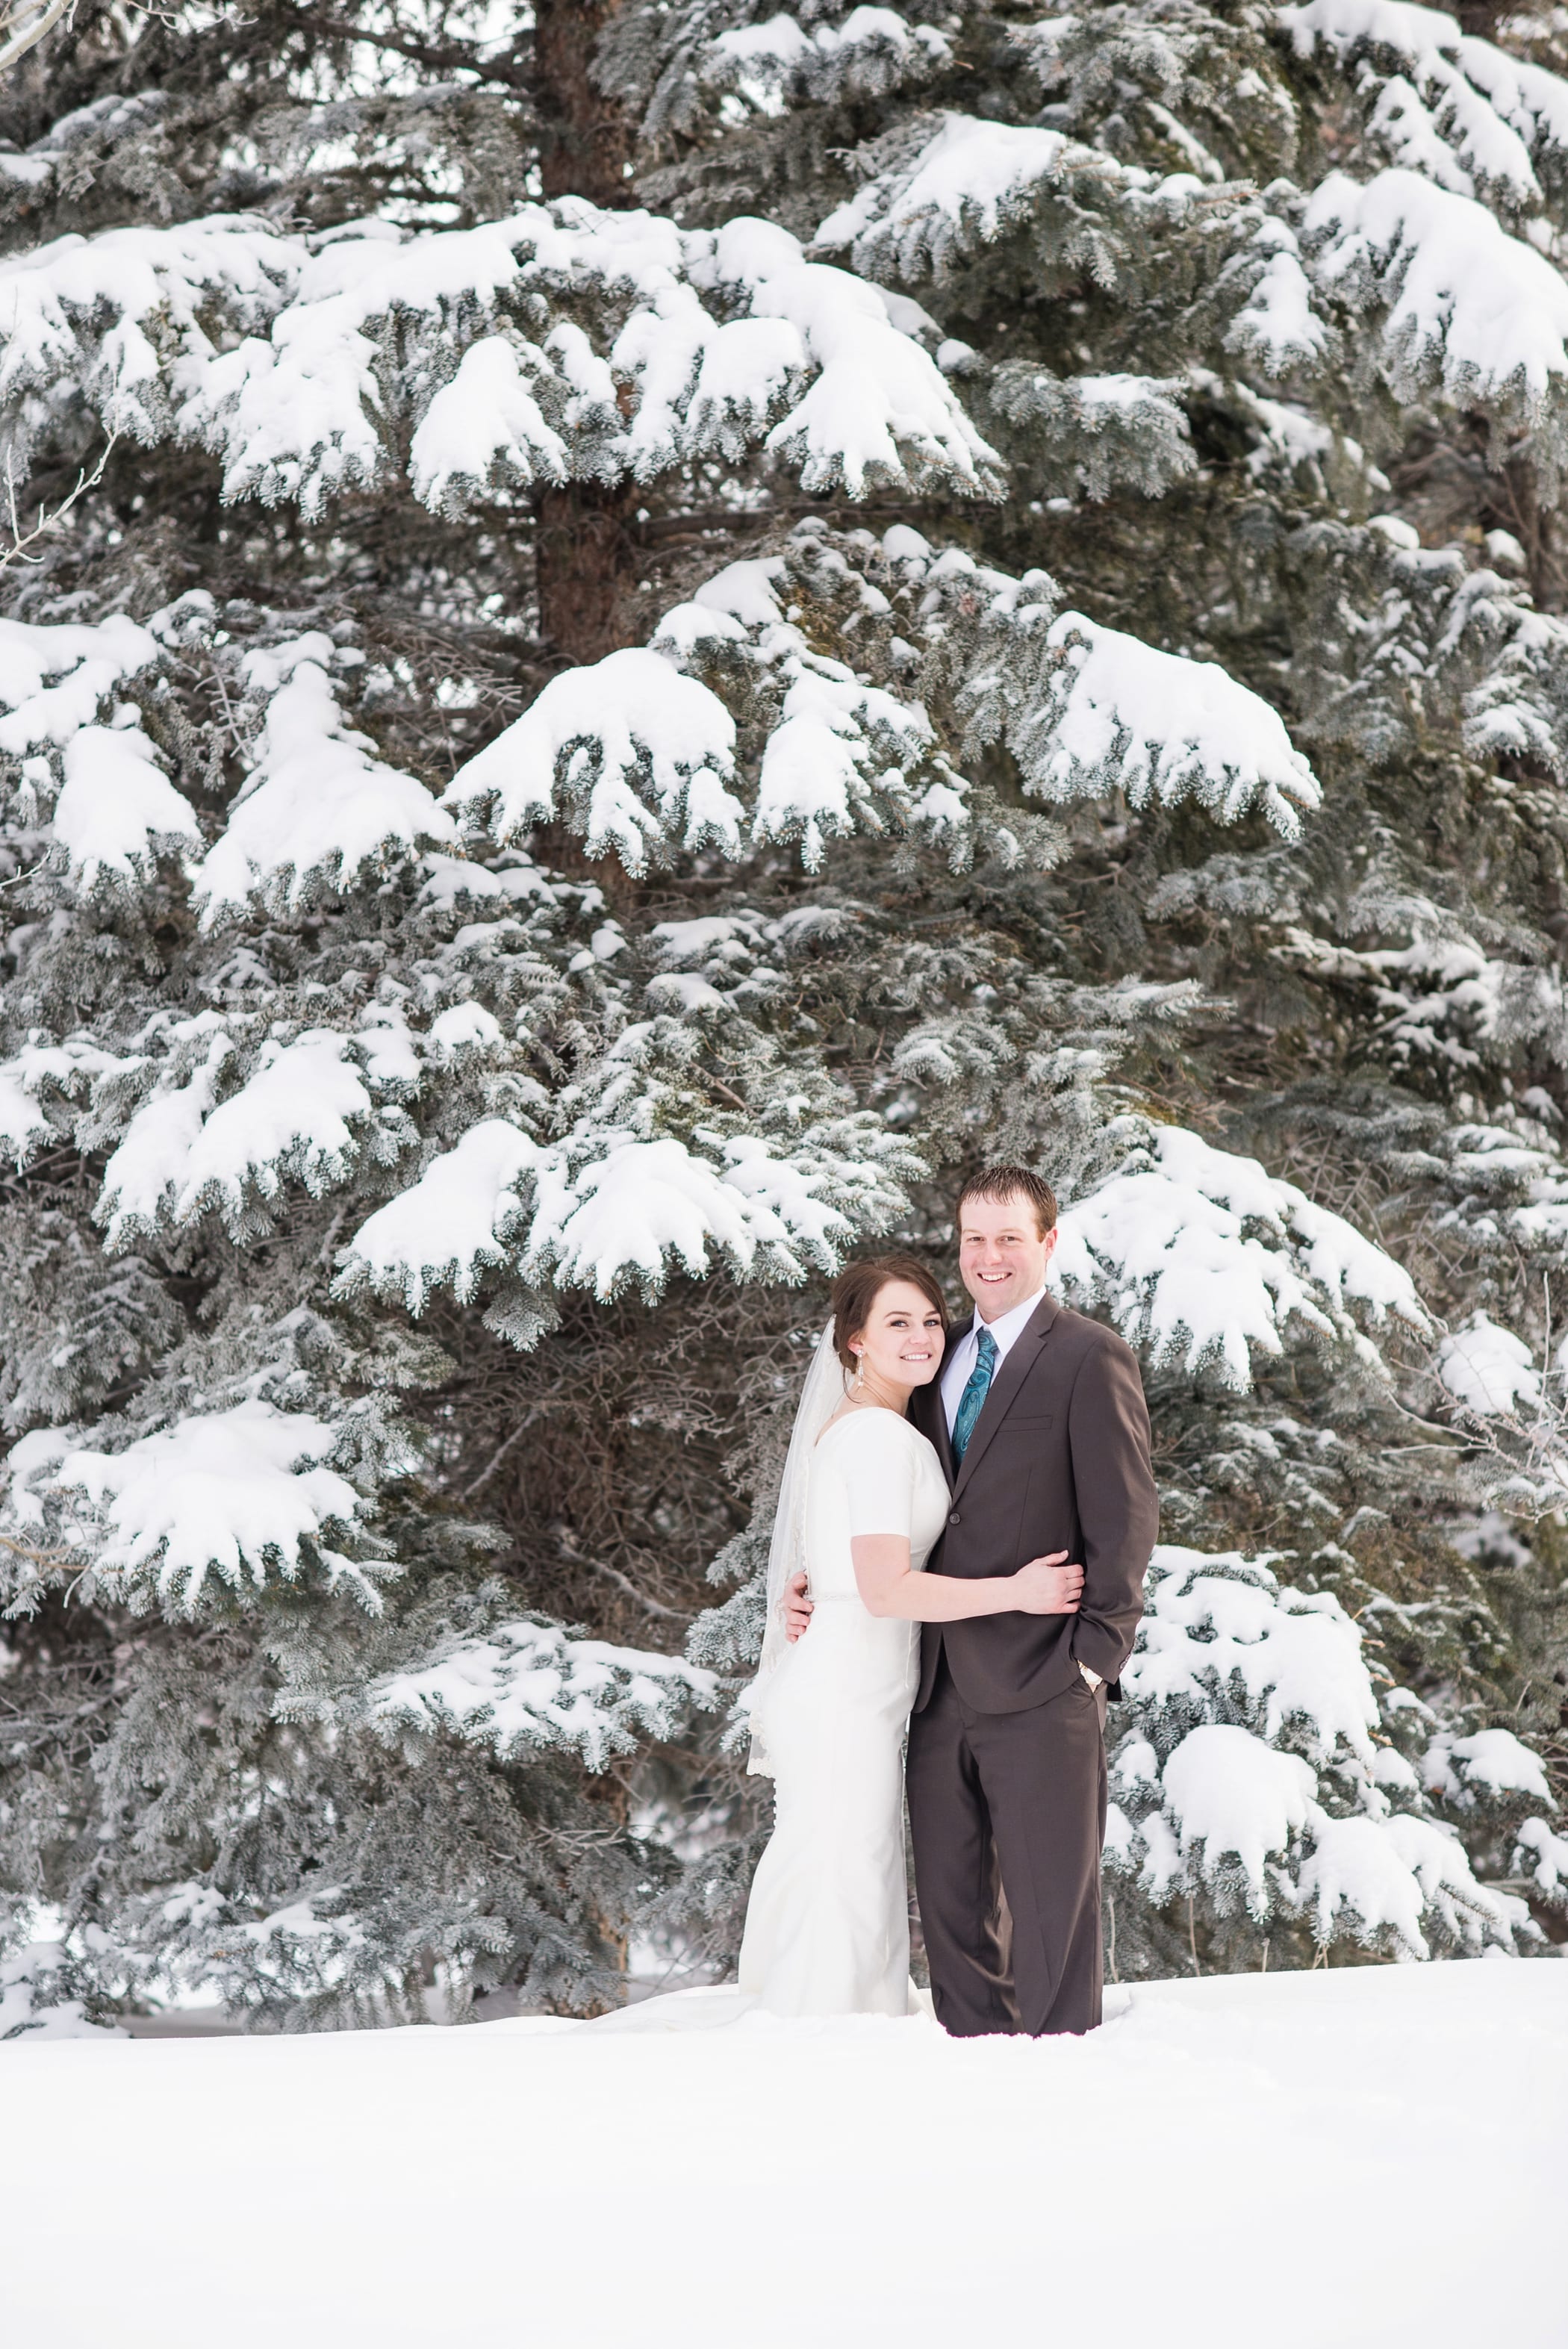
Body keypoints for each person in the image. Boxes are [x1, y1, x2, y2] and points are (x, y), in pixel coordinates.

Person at [784, 1167, 1157, 2035]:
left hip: (1042, 1680)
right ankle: (972, 2079)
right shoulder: (932, 1350)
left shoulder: (1087, 1354)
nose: (988, 1256)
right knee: (953, 1925)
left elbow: (1126, 1518)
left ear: (1048, 1242)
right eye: (974, 1238)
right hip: (930, 1679)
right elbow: (888, 1496)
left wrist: (1092, 1664)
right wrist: (822, 1583)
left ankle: (1065, 2082)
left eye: (1009, 1238)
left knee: (1050, 1924)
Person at [738, 1253, 1085, 2018]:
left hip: (853, 1683)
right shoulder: (876, 1438)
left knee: (843, 1864)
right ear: (854, 1339)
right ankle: (823, 2040)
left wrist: (808, 1589)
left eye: (931, 1318)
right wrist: (1017, 1591)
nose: (923, 1335)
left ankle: (831, 2024)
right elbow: (886, 1586)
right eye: (897, 1322)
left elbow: (841, 1562)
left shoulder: (880, 1425)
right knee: (844, 1872)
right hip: (843, 1693)